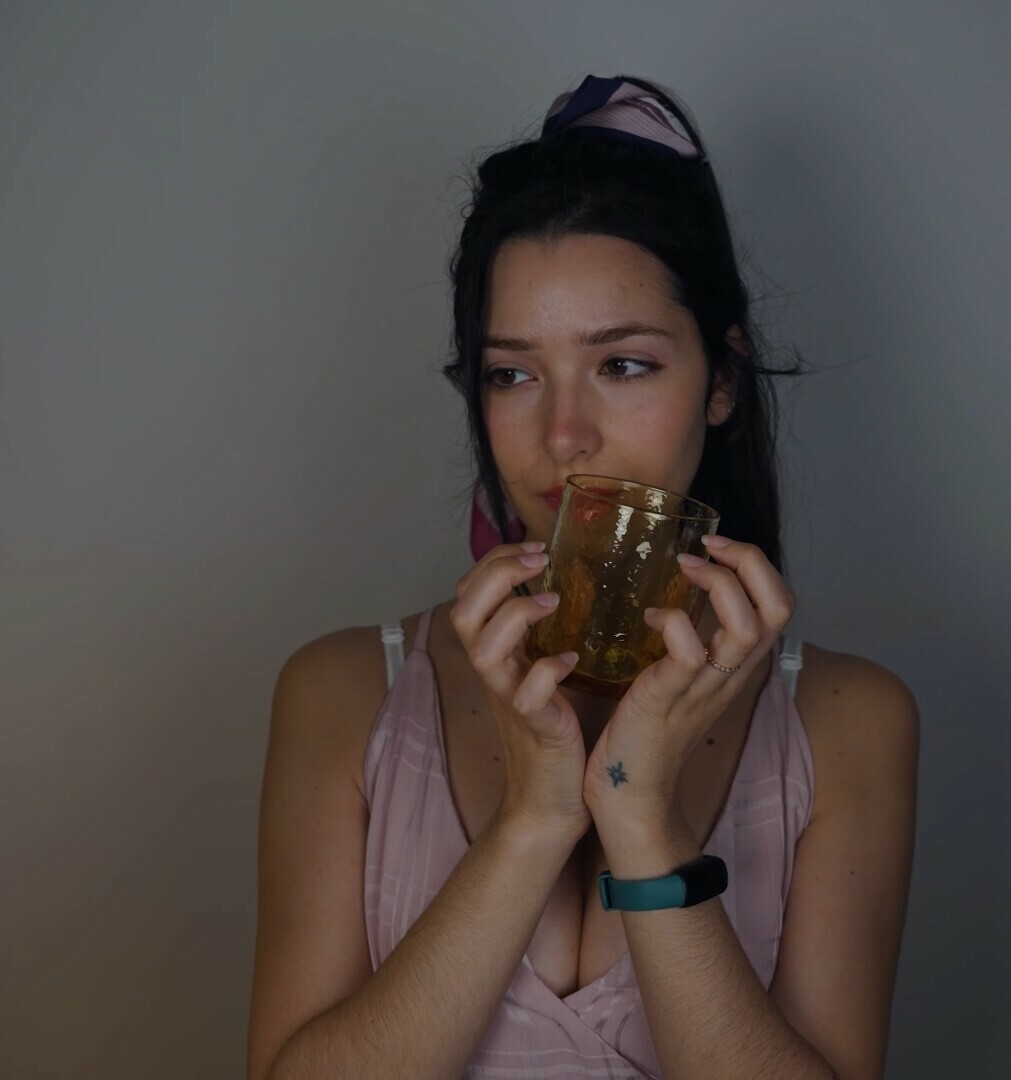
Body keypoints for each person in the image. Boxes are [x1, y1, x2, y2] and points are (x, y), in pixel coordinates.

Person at [247, 74, 919, 1080]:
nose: (564, 437)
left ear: (723, 380)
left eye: (623, 365)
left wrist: (638, 814)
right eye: (512, 374)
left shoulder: (850, 722)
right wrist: (534, 819)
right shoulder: (341, 694)